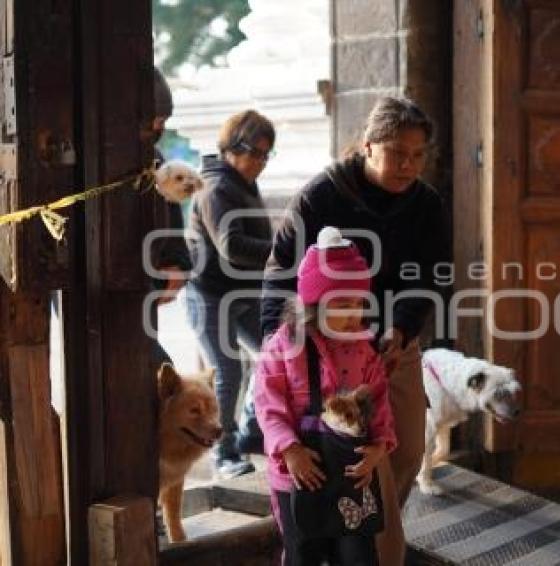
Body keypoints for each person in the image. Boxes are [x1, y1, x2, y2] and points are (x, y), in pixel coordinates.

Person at [261, 97, 449, 565]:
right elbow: (281, 270)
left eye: (418, 154)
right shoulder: (323, 195)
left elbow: (430, 276)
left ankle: (365, 532)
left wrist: (402, 330)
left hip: (388, 343)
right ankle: (331, 539)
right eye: (397, 153)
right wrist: (277, 340)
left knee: (400, 448)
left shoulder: (426, 205)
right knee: (313, 447)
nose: (408, 164)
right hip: (318, 345)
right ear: (368, 146)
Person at [256, 226, 397, 566]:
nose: (353, 314)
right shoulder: (284, 346)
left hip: (350, 476)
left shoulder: (365, 349)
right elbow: (268, 405)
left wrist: (378, 450)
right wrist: (289, 450)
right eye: (342, 304)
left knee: (358, 556)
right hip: (298, 474)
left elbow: (378, 404)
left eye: (359, 303)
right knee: (304, 553)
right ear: (314, 304)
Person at [185, 109, 275, 478]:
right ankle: (222, 453)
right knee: (227, 372)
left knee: (278, 351)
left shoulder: (242, 182)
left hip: (244, 292)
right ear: (231, 148)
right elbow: (232, 246)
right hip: (210, 295)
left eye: (266, 156)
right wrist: (281, 249)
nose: (260, 163)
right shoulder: (216, 186)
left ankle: (250, 433)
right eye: (254, 153)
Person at [147, 66, 191, 366]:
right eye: (156, 119)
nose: (159, 127)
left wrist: (178, 267)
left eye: (164, 121)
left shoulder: (157, 161)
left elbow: (173, 224)